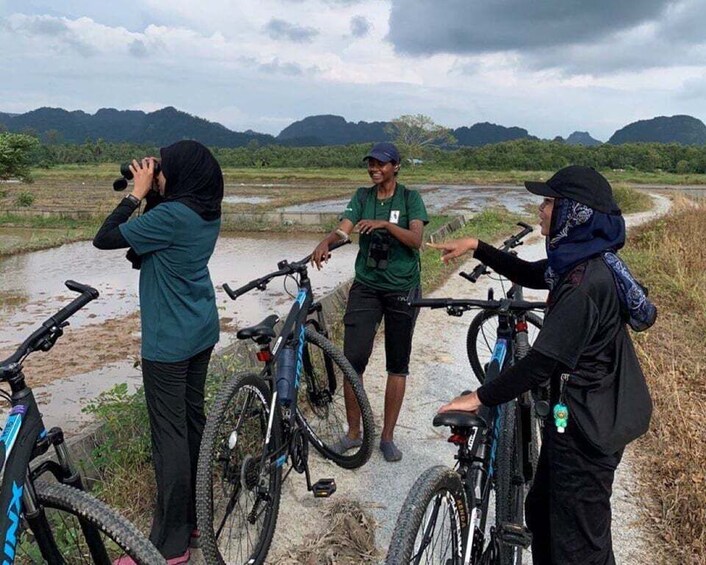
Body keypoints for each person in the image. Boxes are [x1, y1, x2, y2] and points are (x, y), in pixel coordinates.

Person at [429, 165, 655, 564]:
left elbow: (540, 365)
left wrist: (481, 397)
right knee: (544, 513)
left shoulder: (584, 285)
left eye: (549, 202)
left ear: (575, 213)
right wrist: (478, 246)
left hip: (588, 427)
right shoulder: (580, 263)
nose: (540, 209)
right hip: (581, 414)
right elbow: (534, 273)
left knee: (579, 543)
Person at [93, 140, 223, 565]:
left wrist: (135, 194)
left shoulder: (170, 216)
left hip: (168, 342)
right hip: (201, 330)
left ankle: (170, 546)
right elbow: (144, 251)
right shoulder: (204, 211)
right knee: (191, 426)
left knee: (169, 440)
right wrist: (153, 192)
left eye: (163, 170)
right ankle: (197, 517)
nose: (157, 175)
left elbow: (105, 238)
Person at [311, 142, 428, 462]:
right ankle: (353, 433)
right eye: (371, 163)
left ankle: (387, 437)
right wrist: (327, 241)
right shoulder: (362, 197)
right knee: (352, 361)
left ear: (396, 166)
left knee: (397, 363)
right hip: (366, 286)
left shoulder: (409, 198)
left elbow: (416, 241)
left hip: (402, 288)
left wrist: (387, 225)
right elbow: (343, 231)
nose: (374, 168)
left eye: (381, 163)